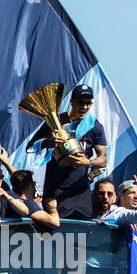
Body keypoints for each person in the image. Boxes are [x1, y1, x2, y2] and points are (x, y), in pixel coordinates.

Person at [25, 83, 106, 219]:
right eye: (80, 102)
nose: (84, 107)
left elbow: (103, 159)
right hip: (56, 190)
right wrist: (48, 142)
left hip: (81, 192)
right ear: (72, 102)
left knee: (82, 235)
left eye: (88, 103)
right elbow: (30, 147)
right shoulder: (55, 120)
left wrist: (88, 162)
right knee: (57, 235)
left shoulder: (95, 126)